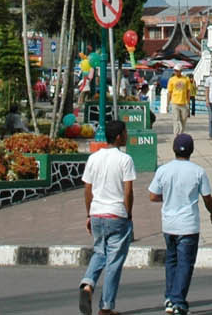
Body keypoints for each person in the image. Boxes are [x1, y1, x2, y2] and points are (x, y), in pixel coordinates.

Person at [149, 134, 212, 315]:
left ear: (173, 149)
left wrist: (170, 197)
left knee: (171, 261)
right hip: (188, 225)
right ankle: (178, 301)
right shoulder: (198, 171)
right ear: (192, 150)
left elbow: (153, 195)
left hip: (169, 224)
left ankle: (169, 298)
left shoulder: (163, 170)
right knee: (185, 264)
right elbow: (207, 197)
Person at [79, 120, 135, 315]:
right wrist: (128, 214)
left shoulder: (94, 158)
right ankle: (106, 307)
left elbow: (87, 189)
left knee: (99, 252)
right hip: (116, 214)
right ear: (119, 136)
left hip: (97, 213)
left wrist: (89, 213)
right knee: (114, 262)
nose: (127, 135)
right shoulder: (125, 160)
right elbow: (128, 191)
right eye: (125, 132)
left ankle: (88, 284)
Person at [167, 68, 194, 137]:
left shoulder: (186, 79)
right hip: (175, 102)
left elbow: (188, 91)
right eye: (175, 70)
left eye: (177, 70)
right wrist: (167, 103)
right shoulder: (171, 79)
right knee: (175, 119)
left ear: (180, 71)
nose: (175, 72)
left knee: (184, 119)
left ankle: (181, 133)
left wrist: (188, 102)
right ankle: (176, 134)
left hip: (184, 102)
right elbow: (169, 92)